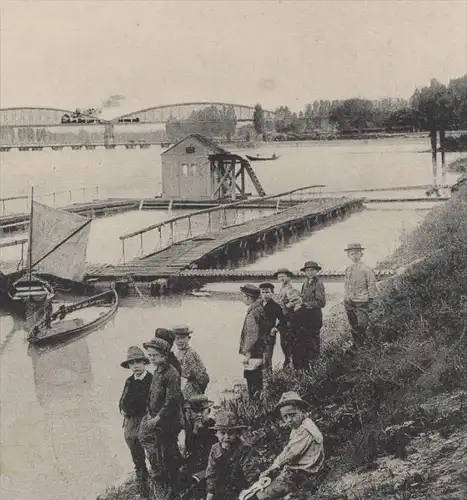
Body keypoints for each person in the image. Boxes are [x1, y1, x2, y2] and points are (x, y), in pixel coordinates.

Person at [254, 392, 324, 500]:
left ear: (302, 411)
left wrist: (271, 468)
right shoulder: (299, 427)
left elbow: (290, 454)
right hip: (297, 473)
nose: (289, 420)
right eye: (285, 417)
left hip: (301, 475)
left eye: (292, 414)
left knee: (260, 496)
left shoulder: (305, 429)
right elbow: (288, 450)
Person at [138, 337, 184, 500]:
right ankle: (177, 476)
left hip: (169, 421)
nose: (151, 358)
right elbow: (153, 395)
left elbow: (172, 400)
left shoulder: (171, 373)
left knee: (167, 453)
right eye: (149, 355)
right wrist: (150, 413)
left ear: (164, 356)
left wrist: (157, 418)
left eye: (155, 355)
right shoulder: (158, 370)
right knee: (165, 451)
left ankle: (175, 489)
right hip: (158, 419)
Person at [119, 346, 152, 495]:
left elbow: (148, 401)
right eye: (132, 363)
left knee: (150, 447)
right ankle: (141, 476)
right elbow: (123, 398)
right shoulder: (129, 380)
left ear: (144, 363)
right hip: (131, 420)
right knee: (133, 446)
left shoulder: (151, 379)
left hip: (144, 418)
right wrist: (121, 408)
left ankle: (157, 476)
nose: (136, 365)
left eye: (139, 362)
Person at [205, 410, 261, 500]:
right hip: (223, 489)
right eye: (222, 433)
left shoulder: (244, 449)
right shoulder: (215, 449)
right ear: (216, 433)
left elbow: (251, 473)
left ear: (236, 433)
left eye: (230, 433)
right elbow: (212, 473)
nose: (227, 437)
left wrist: (252, 492)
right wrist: (210, 492)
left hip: (242, 489)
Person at [179, 395, 217, 499]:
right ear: (191, 413)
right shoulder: (191, 428)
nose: (199, 415)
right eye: (195, 412)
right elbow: (190, 448)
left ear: (208, 411)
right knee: (181, 477)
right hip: (196, 463)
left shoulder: (213, 427)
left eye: (202, 411)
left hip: (211, 464)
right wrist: (195, 431)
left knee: (200, 485)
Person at [343, 243, 378, 347]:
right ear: (348, 255)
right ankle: (357, 344)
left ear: (361, 254)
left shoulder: (366, 269)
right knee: (353, 323)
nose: (354, 256)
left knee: (362, 323)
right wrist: (346, 298)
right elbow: (347, 284)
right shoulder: (348, 269)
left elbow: (371, 284)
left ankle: (364, 343)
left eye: (356, 253)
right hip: (349, 301)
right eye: (352, 254)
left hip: (361, 301)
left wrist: (371, 299)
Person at [239, 284, 269, 400]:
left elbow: (252, 336)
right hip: (261, 351)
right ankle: (258, 404)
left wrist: (247, 353)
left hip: (253, 354)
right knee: (258, 381)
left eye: (243, 296)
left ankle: (254, 406)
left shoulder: (252, 313)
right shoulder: (261, 309)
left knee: (252, 381)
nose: (243, 298)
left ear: (247, 297)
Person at [173, 325, 210, 399]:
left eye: (183, 338)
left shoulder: (189, 353)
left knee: (187, 400)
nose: (180, 341)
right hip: (189, 381)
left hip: (195, 383)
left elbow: (188, 373)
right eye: (178, 338)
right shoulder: (180, 352)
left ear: (188, 338)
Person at [259, 283, 286, 383]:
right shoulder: (258, 304)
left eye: (267, 292)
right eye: (263, 292)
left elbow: (283, 320)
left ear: (272, 293)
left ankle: (268, 381)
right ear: (260, 293)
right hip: (257, 336)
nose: (265, 295)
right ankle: (259, 380)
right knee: (258, 359)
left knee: (267, 360)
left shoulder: (275, 306)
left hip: (269, 336)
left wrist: (275, 328)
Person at [300, 261, 326, 360]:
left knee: (314, 338)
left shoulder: (318, 283)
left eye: (312, 270)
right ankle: (309, 361)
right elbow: (303, 296)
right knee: (306, 339)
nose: (310, 272)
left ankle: (316, 361)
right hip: (306, 315)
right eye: (307, 270)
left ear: (316, 271)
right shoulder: (305, 282)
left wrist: (306, 304)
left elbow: (322, 303)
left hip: (315, 315)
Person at [287, 291, 319, 371]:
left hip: (307, 340)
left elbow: (315, 324)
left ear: (301, 297)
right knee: (297, 363)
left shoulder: (308, 309)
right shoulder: (290, 311)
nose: (295, 302)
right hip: (295, 341)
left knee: (308, 362)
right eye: (292, 300)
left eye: (296, 299)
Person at [274, 268, 297, 368]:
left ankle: (289, 363)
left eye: (283, 276)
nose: (281, 278)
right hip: (284, 317)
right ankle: (288, 362)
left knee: (286, 342)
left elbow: (294, 301)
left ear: (288, 277)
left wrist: (286, 307)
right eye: (279, 277)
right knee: (284, 342)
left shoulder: (289, 287)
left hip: (288, 317)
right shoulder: (283, 287)